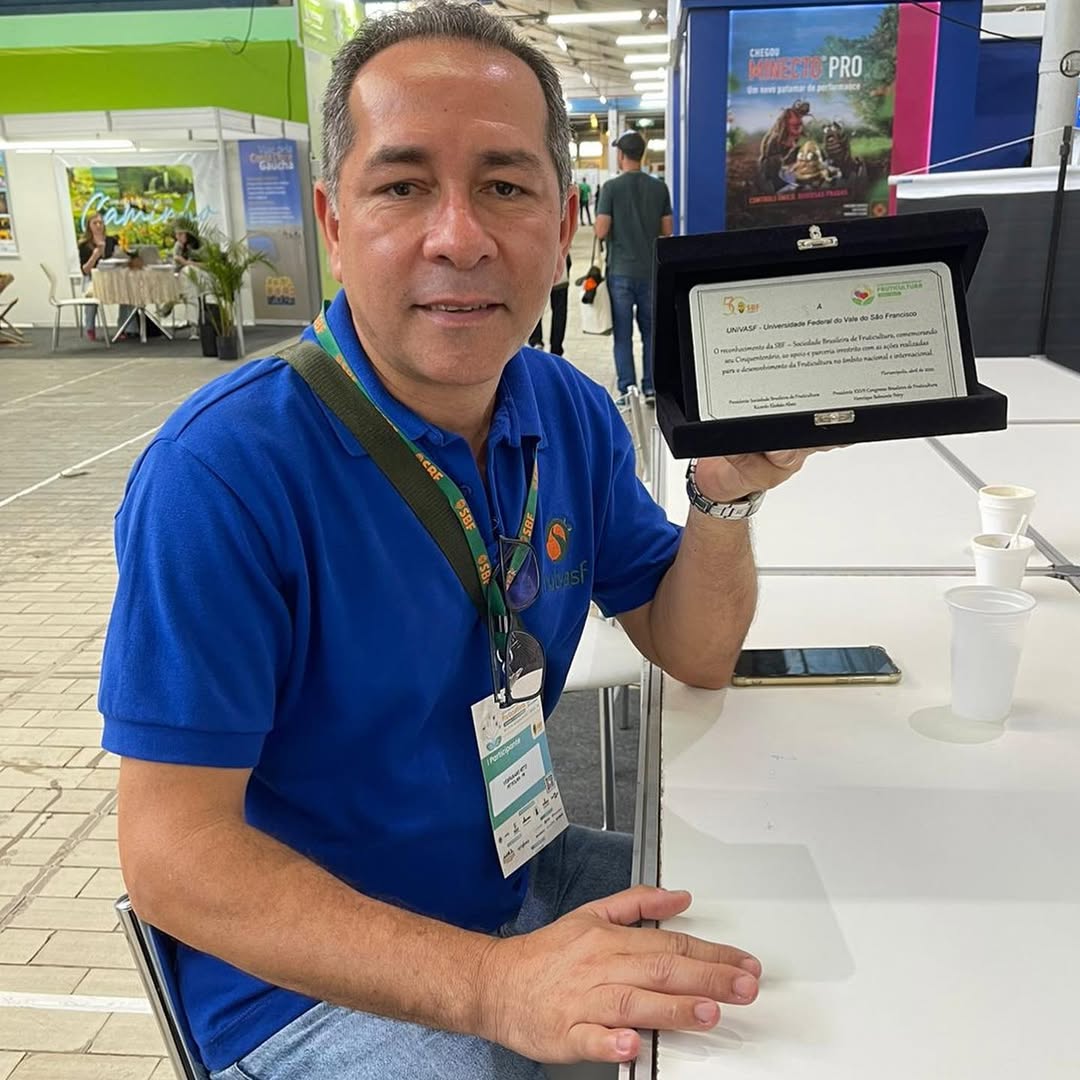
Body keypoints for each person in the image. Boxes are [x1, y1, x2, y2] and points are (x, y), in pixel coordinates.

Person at [100, 5, 821, 1079]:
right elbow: (172, 857)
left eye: (504, 186)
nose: (459, 237)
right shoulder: (223, 475)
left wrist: (722, 499)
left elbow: (696, 650)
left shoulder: (566, 411)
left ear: (564, 221)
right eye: (401, 187)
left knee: (790, 946)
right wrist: (496, 985)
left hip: (517, 871)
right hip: (302, 983)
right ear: (333, 221)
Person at [595, 131, 673, 403]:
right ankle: (651, 387)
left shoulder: (611, 188)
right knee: (651, 333)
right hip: (650, 272)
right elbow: (667, 231)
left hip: (620, 273)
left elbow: (601, 230)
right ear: (642, 154)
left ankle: (628, 389)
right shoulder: (659, 187)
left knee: (623, 334)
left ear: (620, 155)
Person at [77, 213, 134, 340]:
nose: (98, 226)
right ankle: (90, 328)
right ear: (89, 226)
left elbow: (121, 257)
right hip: (94, 278)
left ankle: (124, 328)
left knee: (128, 290)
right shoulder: (84, 245)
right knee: (91, 293)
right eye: (95, 223)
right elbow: (85, 271)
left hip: (113, 277)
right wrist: (95, 256)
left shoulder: (112, 241)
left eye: (100, 223)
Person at [527, 253, 570, 355]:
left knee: (534, 303)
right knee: (559, 309)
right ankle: (556, 348)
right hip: (560, 260)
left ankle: (536, 341)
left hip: (536, 260)